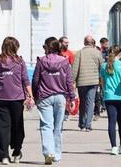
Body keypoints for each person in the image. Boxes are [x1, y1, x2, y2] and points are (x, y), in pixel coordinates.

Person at [32, 37, 75, 165]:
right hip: (60, 96)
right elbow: (69, 81)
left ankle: (48, 152)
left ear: (47, 47)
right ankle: (56, 154)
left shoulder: (41, 61)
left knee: (46, 126)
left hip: (44, 96)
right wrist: (72, 97)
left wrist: (34, 95)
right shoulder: (64, 61)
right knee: (58, 127)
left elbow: (35, 79)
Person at [0, 37, 33, 164]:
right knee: (17, 126)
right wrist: (30, 96)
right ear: (15, 47)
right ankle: (16, 151)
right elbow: (25, 79)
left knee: (3, 127)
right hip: (16, 98)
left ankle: (4, 155)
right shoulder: (20, 61)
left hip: (0, 97)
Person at [100, 45, 121, 155]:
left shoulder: (104, 66)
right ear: (120, 54)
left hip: (109, 96)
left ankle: (113, 147)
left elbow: (102, 82)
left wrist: (105, 91)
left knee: (111, 121)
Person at [72, 35, 104, 132]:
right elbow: (101, 67)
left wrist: (72, 81)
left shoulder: (79, 53)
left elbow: (74, 69)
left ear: (84, 42)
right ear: (92, 43)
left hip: (81, 82)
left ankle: (82, 123)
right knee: (90, 103)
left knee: (82, 103)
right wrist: (101, 80)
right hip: (93, 81)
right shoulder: (98, 53)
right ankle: (88, 125)